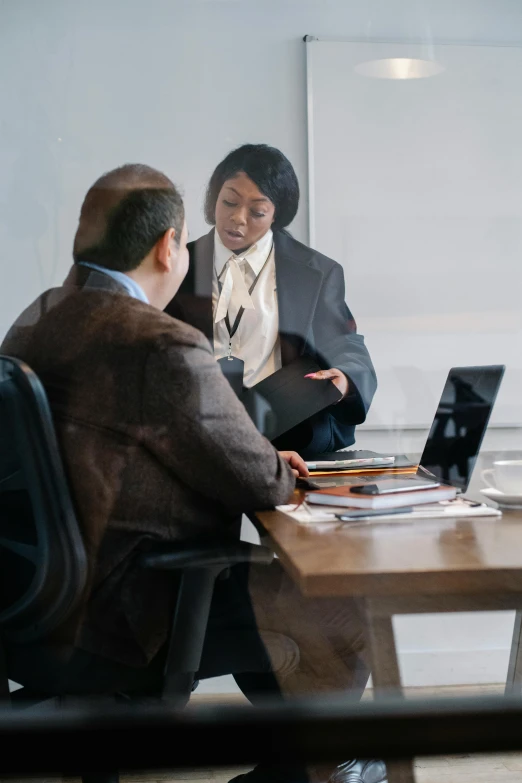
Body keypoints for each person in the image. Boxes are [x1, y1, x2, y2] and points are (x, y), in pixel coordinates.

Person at [1, 164, 383, 783]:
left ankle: (314, 758)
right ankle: (320, 768)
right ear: (168, 246)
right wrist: (272, 464)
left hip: (32, 604)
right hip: (133, 612)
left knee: (268, 598)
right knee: (341, 607)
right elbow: (257, 482)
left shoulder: (35, 320)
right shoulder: (162, 344)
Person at [165, 144, 377, 458]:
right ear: (214, 199)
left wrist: (345, 379)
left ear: (277, 214)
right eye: (229, 202)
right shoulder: (176, 265)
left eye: (256, 211)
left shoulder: (317, 272)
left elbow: (345, 345)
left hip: (291, 437)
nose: (237, 218)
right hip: (200, 440)